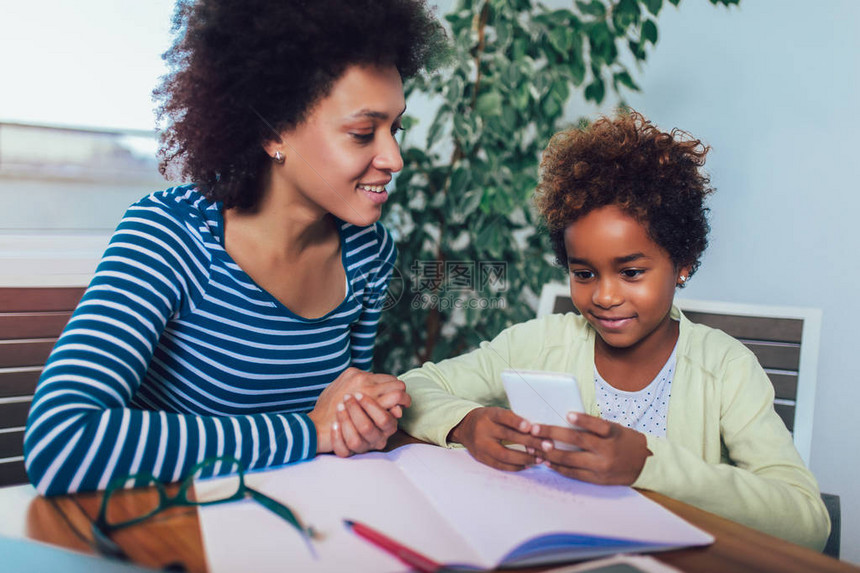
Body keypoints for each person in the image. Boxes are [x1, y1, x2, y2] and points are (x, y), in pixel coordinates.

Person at [23, 0, 446, 496]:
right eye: (361, 133)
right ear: (273, 133)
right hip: (177, 533)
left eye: (395, 128)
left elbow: (343, 415)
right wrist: (308, 431)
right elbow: (62, 441)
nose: (394, 157)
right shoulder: (169, 234)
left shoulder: (368, 252)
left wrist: (367, 416)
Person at [398, 111, 830, 550]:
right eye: (584, 274)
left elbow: (808, 521)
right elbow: (414, 386)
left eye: (631, 272)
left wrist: (646, 465)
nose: (604, 296)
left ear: (682, 262)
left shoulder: (726, 369)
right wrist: (465, 424)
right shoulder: (540, 343)